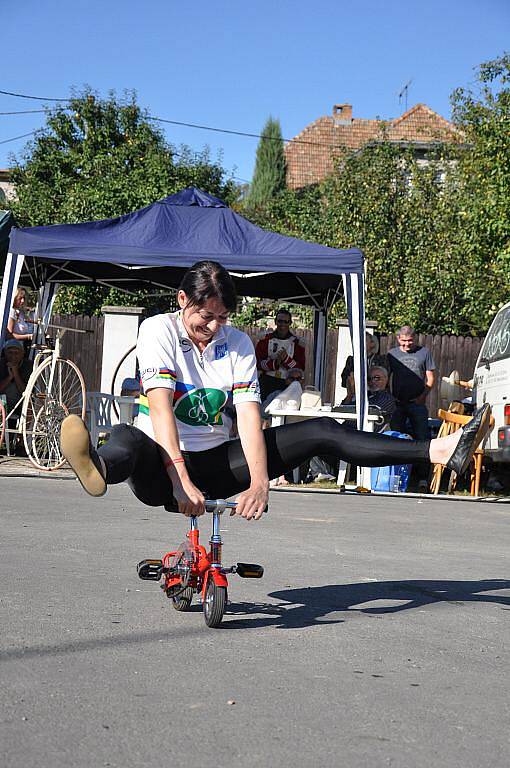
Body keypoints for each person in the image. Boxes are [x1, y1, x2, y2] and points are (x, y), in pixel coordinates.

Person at [60, 260, 491, 522]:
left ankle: (434, 451)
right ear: (181, 301)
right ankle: (98, 465)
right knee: (127, 436)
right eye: (204, 317)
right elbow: (159, 407)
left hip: (215, 465)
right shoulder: (157, 330)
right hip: (159, 469)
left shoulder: (239, 344)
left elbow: (249, 416)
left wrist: (261, 482)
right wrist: (179, 479)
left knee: (320, 428)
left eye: (222, 318)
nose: (213, 328)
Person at [388, 326, 436, 490]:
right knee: (395, 439)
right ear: (398, 339)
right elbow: (385, 376)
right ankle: (395, 476)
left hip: (417, 403)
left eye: (410, 340)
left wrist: (423, 397)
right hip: (398, 403)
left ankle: (422, 478)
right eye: (404, 340)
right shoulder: (391, 354)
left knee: (422, 439)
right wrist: (389, 396)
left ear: (415, 339)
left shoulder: (424, 352)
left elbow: (430, 378)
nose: (407, 344)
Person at [255, 309, 306, 402]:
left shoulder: (297, 343)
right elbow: (258, 363)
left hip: (287, 383)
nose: (282, 325)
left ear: (290, 323)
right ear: (275, 322)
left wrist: (286, 359)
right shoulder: (265, 340)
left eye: (286, 322)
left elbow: (300, 368)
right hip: (267, 382)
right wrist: (275, 363)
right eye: (280, 321)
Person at [0, 339, 33, 429]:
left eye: (16, 353)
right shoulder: (1, 363)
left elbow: (25, 391)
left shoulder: (28, 366)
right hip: (2, 401)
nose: (13, 356)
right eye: (10, 353)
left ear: (22, 354)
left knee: (30, 406)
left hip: (20, 402)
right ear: (5, 353)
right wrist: (10, 377)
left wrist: (15, 373)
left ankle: (22, 439)